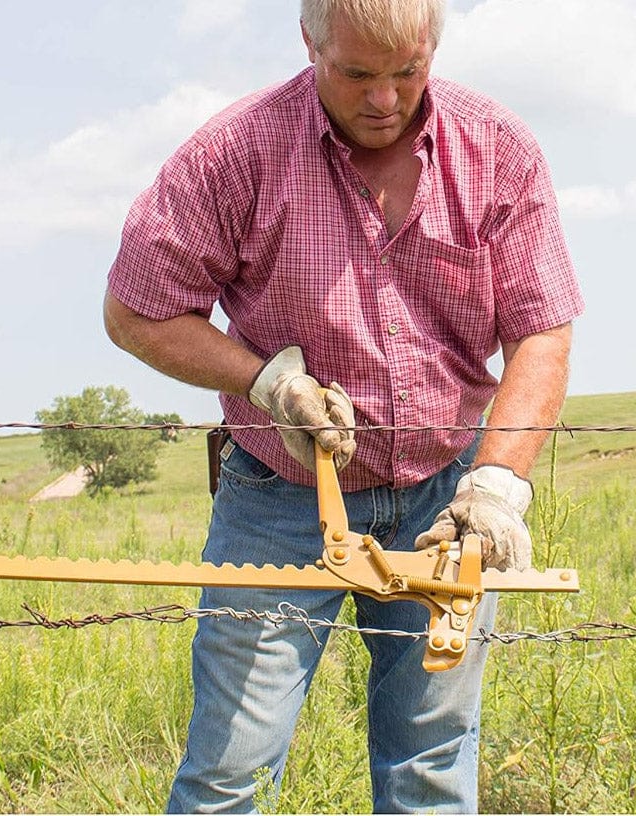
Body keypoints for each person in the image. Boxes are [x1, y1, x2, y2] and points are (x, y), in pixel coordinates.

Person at [103, 0, 584, 811]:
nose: (386, 100)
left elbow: (542, 332)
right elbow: (134, 311)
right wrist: (267, 383)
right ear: (311, 42)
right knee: (230, 773)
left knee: (429, 766)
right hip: (282, 503)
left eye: (408, 71)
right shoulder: (236, 152)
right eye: (358, 74)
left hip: (446, 496)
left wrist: (496, 487)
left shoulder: (499, 150)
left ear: (433, 45)